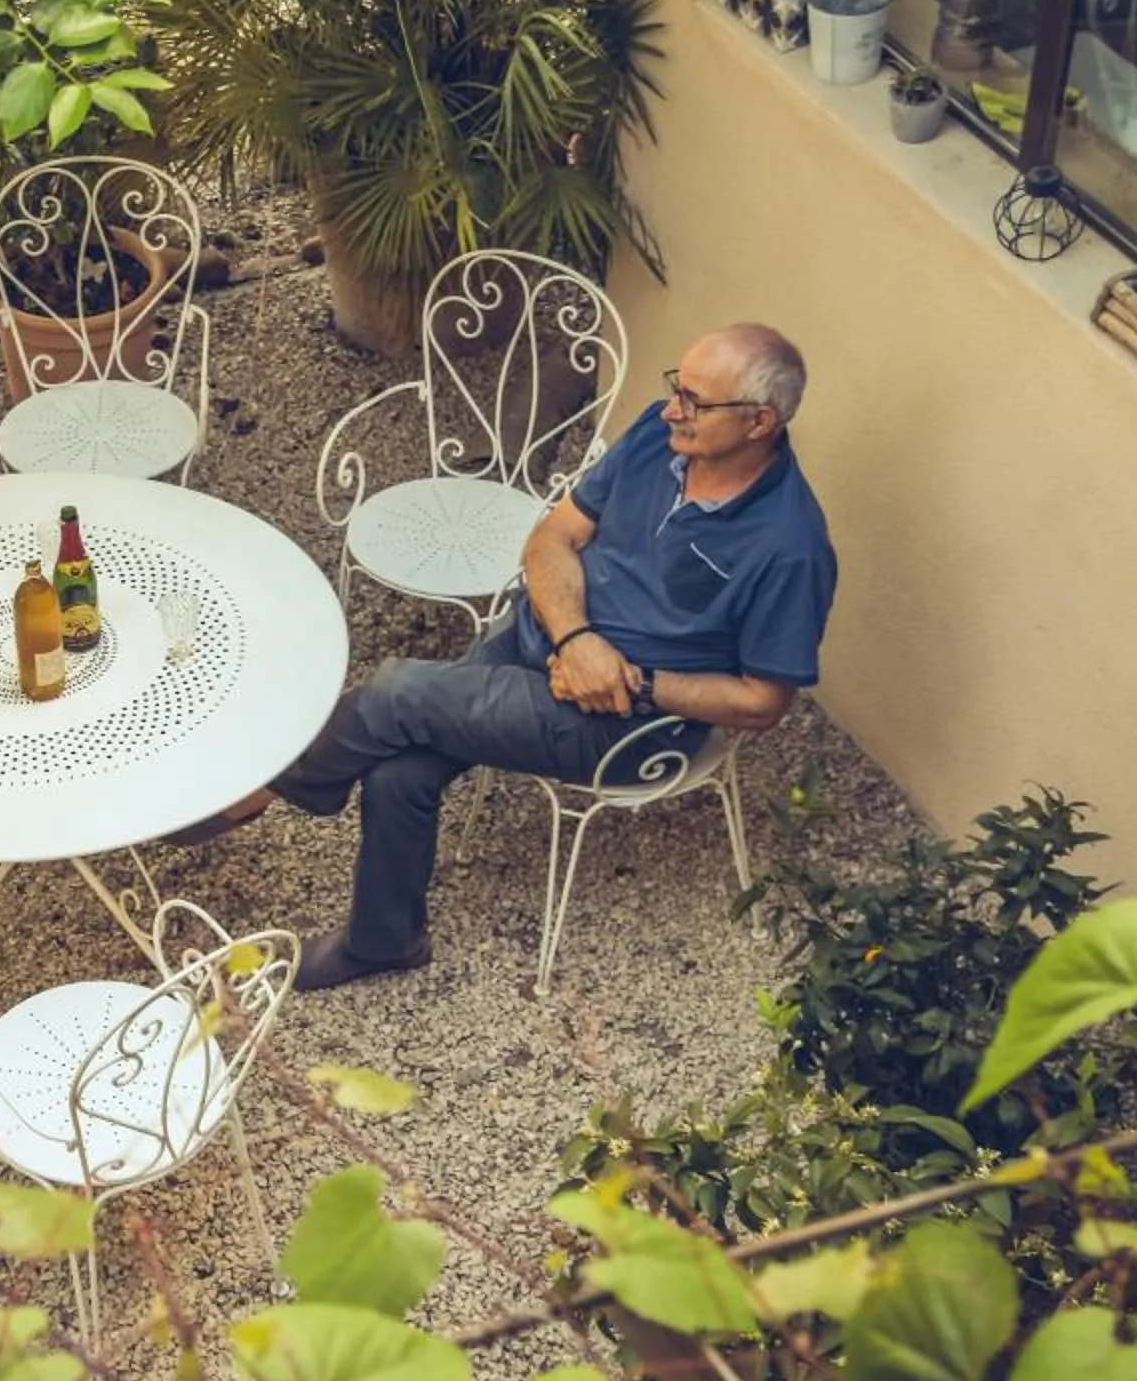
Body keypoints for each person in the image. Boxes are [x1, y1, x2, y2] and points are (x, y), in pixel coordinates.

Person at [222, 323, 837, 991]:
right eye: (675, 388)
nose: (670, 410)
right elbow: (553, 536)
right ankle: (384, 940)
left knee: (399, 689)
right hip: (542, 635)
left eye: (694, 401)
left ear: (758, 422)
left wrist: (636, 680)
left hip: (620, 721)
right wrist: (575, 639)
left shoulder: (790, 547)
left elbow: (763, 702)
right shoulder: (659, 441)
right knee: (399, 773)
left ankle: (258, 789)